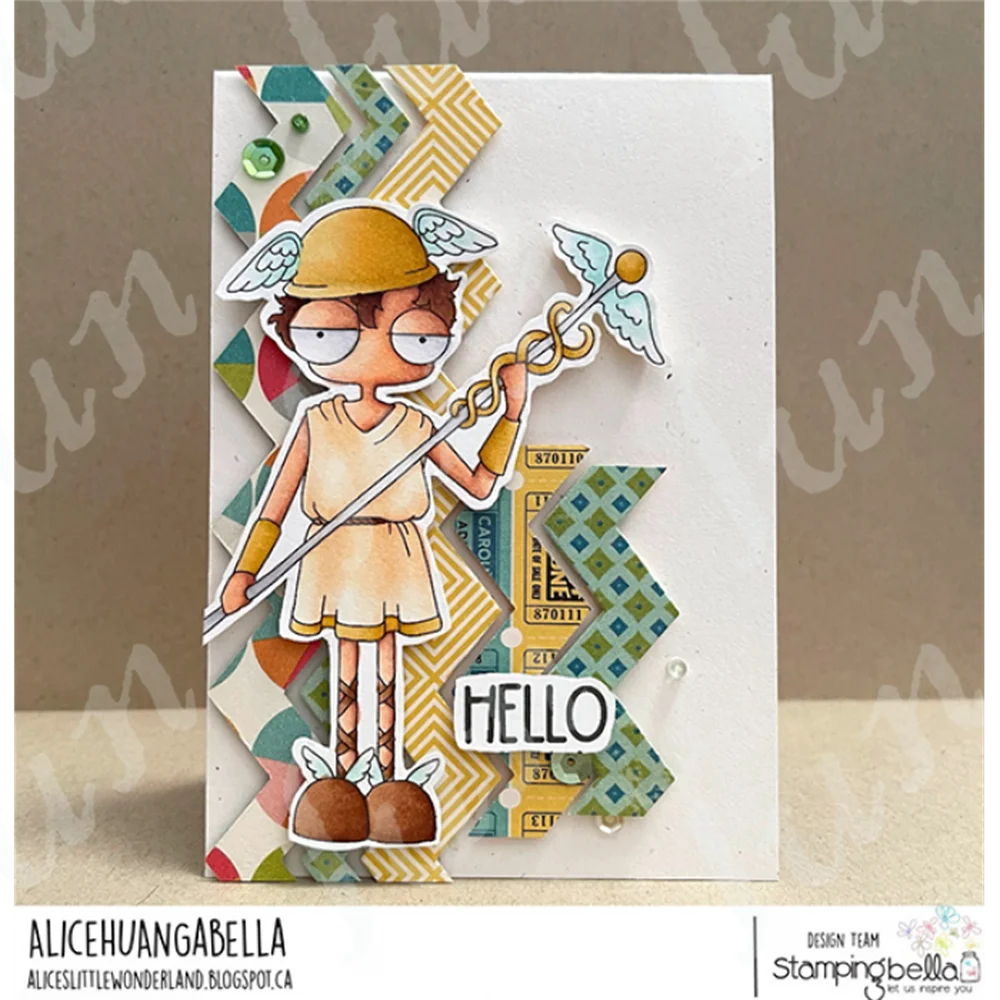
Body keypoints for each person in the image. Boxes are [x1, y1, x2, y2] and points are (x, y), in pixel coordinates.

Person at [219, 205, 526, 846]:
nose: (374, 350)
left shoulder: (419, 426)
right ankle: (338, 786)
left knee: (383, 665)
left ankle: (387, 783)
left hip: (392, 554)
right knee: (348, 667)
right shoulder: (317, 421)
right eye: (329, 334)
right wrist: (244, 571)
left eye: (415, 336)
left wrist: (511, 413)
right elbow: (275, 505)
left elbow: (478, 484)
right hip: (333, 553)